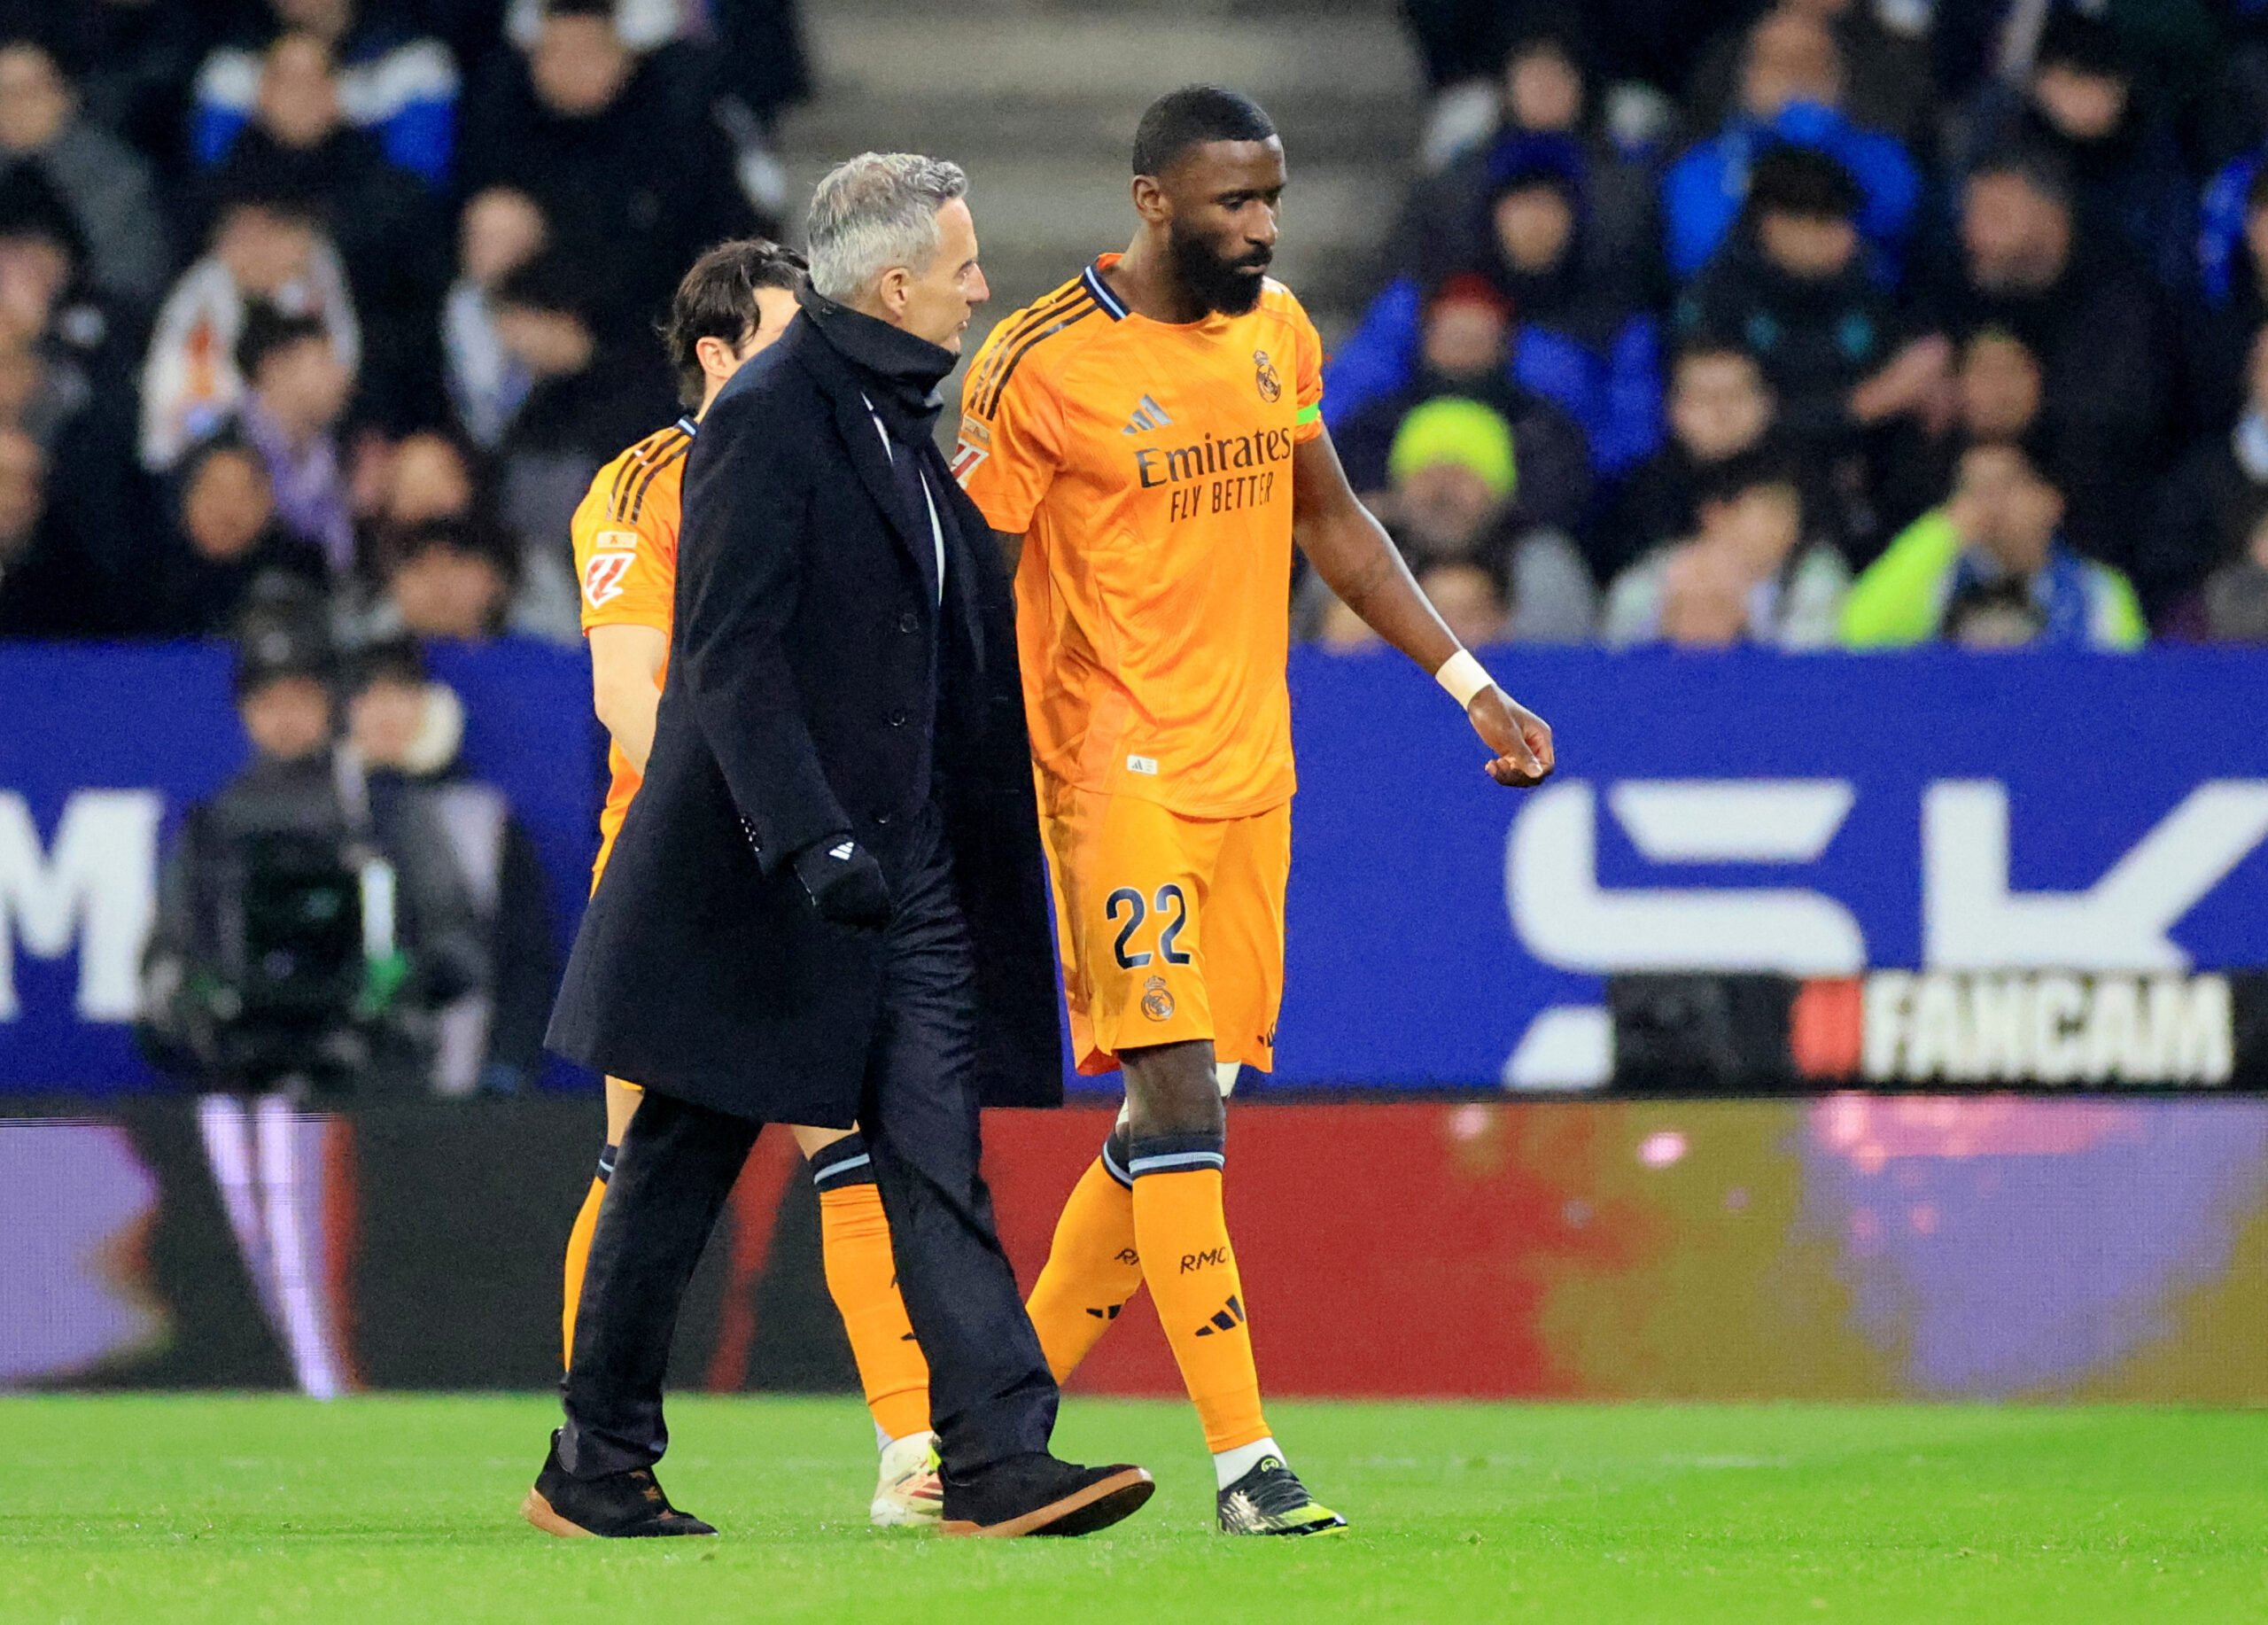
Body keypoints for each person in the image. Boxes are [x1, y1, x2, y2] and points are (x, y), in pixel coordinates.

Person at [956, 87, 1554, 1536]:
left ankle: (986, 1426)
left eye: (1273, 198)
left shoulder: (1277, 329)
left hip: (1249, 773)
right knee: (1172, 1094)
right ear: (1155, 199)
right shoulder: (1040, 362)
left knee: (1180, 1108)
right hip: (1112, 774)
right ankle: (1247, 1461)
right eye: (1235, 201)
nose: (1263, 225)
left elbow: (1334, 521)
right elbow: (963, 572)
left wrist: (1468, 681)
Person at [533, 153, 1154, 1542]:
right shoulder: (766, 417)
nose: (982, 285)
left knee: (934, 1153)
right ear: (891, 283)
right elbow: (732, 657)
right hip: (768, 877)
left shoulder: (885, 418)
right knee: (676, 1168)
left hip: (906, 874)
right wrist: (808, 838)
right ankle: (597, 1456)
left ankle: (994, 1456)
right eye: (963, 264)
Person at [557, 237, 945, 1528]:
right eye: (788, 336)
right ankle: (593, 1445)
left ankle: (913, 1451)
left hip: (810, 846)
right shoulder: (644, 484)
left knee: (848, 1148)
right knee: (645, 1166)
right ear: (717, 354)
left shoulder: (835, 463)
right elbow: (630, 692)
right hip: (682, 863)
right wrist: (765, 806)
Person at [346, 636, 555, 1096]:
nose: (383, 712)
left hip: (461, 1090)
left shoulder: (486, 822)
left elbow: (526, 960)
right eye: (366, 694)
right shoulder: (322, 817)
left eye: (399, 692)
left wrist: (507, 1066)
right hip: (344, 1089)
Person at [1659, 8, 1922, 283]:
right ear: (1747, 77)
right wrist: (1772, 143)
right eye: (1777, 64)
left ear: (1838, 77)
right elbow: (1696, 251)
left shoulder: (1880, 157)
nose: (1794, 80)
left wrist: (1820, 139)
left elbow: (1895, 216)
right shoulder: (1704, 167)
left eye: (1809, 65)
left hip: (1853, 310)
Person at [1839, 440, 2145, 650]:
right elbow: (1858, 633)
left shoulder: (2098, 590)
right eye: (1975, 490)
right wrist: (1943, 532)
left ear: (2049, 500)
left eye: (2005, 487)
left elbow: (2123, 687)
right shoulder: (1939, 580)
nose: (1990, 505)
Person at [1603, 447, 1848, 648]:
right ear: (1716, 515)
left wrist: (1744, 617)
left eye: (1792, 514)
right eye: (1771, 512)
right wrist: (1668, 619)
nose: (1788, 528)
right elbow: (1616, 652)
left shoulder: (1814, 569)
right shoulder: (1657, 574)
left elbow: (1813, 659)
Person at [1589, 338, 1777, 584]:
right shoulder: (1637, 499)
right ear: (1674, 409)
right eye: (1703, 396)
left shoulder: (1803, 487)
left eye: (1736, 393)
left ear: (1766, 404)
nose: (1721, 410)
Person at [0, 35, 169, 307]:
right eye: (4, 91)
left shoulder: (119, 176)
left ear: (66, 95)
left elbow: (131, 284)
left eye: (32, 87)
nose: (16, 103)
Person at [147, 432, 328, 636]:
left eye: (243, 494)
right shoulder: (145, 577)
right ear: (185, 498)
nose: (229, 510)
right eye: (216, 491)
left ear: (268, 503)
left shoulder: (299, 571)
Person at [222, 300, 356, 574]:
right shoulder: (231, 450)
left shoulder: (330, 454)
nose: (340, 375)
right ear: (274, 367)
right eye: (323, 361)